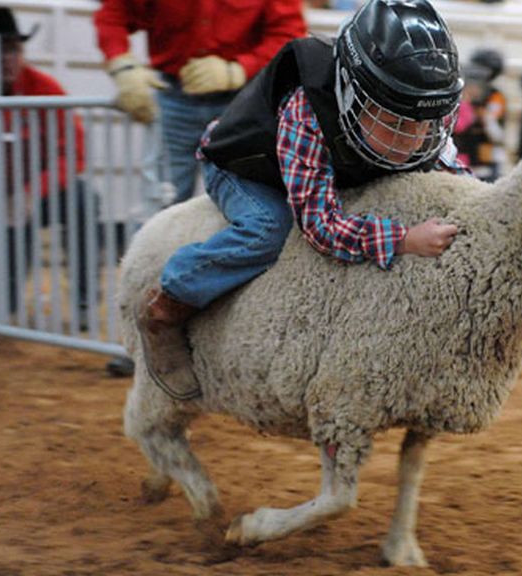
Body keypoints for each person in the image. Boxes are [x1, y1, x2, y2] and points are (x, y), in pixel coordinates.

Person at [137, 0, 471, 399]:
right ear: (352, 91)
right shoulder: (307, 109)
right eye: (395, 122)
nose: (415, 140)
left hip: (321, 165)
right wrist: (403, 239)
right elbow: (319, 226)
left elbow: (456, 176)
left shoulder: (413, 102)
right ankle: (168, 305)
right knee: (268, 228)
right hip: (246, 167)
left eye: (425, 124)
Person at [0, 7, 97, 317]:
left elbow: (72, 154)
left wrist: (31, 191)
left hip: (43, 190)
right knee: (1, 303)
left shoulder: (46, 89)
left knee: (84, 202)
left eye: (12, 49)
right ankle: (0, 307)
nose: (5, 58)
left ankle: (83, 301)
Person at [93, 0, 306, 206]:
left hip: (242, 101)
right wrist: (122, 66)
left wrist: (240, 68)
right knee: (163, 200)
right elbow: (113, 15)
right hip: (173, 94)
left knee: (248, 203)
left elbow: (289, 33)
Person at [454, 48, 507, 183]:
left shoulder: (495, 97)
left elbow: (496, 133)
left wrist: (487, 119)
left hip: (485, 161)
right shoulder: (464, 93)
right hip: (465, 157)